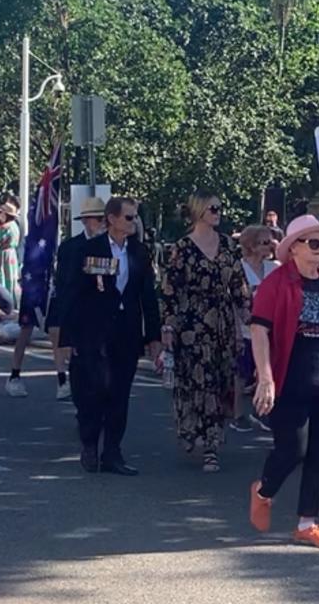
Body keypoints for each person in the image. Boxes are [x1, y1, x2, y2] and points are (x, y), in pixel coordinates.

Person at [249, 215, 319, 549]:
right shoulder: (277, 283)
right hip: (289, 380)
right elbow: (259, 330)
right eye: (314, 243)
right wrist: (265, 377)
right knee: (291, 450)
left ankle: (307, 523)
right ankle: (263, 490)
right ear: (294, 248)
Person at [62, 197, 162, 476]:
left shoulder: (139, 252)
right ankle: (90, 442)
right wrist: (69, 338)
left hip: (126, 330)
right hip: (93, 331)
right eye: (129, 217)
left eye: (135, 217)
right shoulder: (88, 249)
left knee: (119, 393)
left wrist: (153, 336)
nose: (133, 222)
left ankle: (113, 452)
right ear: (112, 219)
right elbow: (72, 294)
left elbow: (147, 296)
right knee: (93, 390)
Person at [160, 191, 247, 473]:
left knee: (219, 381)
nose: (218, 212)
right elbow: (170, 290)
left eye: (220, 208)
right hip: (192, 323)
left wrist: (250, 320)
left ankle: (212, 441)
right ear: (199, 211)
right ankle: (197, 434)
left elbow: (239, 286)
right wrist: (168, 325)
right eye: (212, 208)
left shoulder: (227, 246)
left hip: (222, 323)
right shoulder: (182, 247)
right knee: (196, 381)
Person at [42, 197, 107, 401]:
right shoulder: (70, 248)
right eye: (97, 219)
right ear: (86, 221)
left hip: (105, 315)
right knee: (82, 368)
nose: (102, 223)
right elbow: (64, 285)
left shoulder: (113, 245)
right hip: (79, 314)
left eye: (103, 218)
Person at [231, 225, 280, 430]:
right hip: (244, 327)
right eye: (264, 242)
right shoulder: (239, 268)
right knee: (242, 373)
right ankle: (237, 414)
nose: (269, 247)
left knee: (266, 371)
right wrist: (235, 330)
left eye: (271, 242)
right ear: (251, 245)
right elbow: (232, 301)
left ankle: (264, 412)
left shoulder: (275, 268)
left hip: (269, 328)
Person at [0, 200, 22, 304]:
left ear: (6, 215)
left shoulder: (5, 227)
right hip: (12, 255)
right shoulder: (15, 226)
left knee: (1, 279)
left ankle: (3, 303)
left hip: (2, 256)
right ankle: (13, 303)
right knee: (11, 280)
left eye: (1, 212)